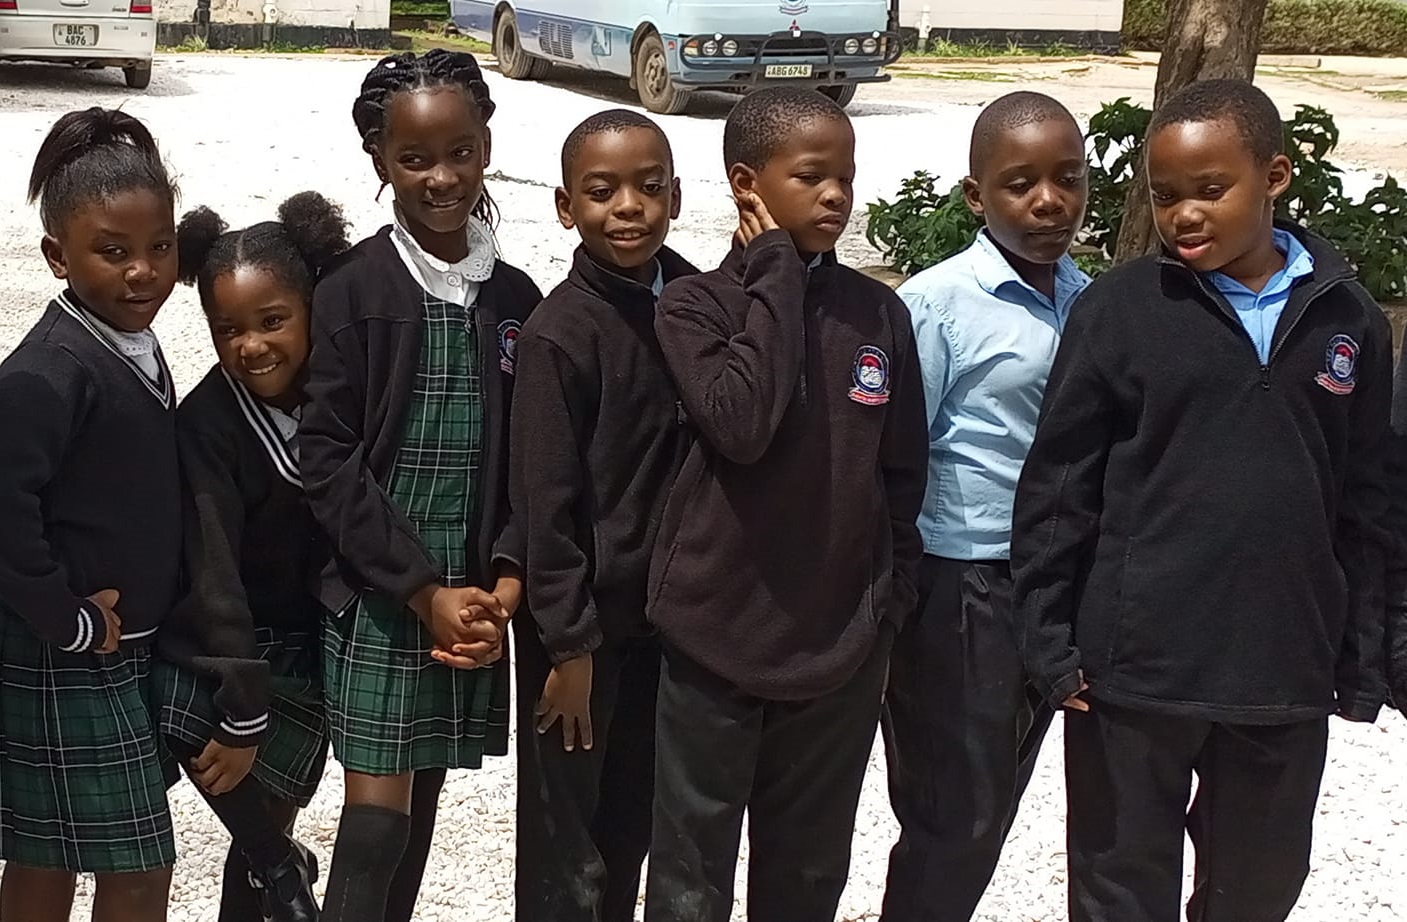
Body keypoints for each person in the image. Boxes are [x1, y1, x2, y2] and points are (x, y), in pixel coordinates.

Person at [1011, 77, 1391, 922]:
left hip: (1280, 670)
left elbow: (1368, 501)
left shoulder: (1349, 320)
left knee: (1257, 888)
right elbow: (1058, 486)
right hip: (1133, 672)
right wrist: (1046, 641)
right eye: (1164, 195)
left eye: (1210, 189)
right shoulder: (1117, 312)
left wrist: (1364, 653)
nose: (1184, 214)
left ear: (1274, 177)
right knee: (1117, 890)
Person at [643, 87, 928, 922]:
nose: (836, 195)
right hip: (714, 636)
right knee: (691, 880)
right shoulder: (695, 305)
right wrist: (773, 273)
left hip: (837, 648)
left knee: (806, 873)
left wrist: (885, 606)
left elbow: (901, 474)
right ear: (747, 184)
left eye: (845, 177)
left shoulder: (877, 314)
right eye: (810, 177)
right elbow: (741, 422)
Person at [298, 48, 542, 922]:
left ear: (486, 147)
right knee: (374, 824)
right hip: (383, 591)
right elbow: (325, 458)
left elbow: (531, 459)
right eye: (414, 159)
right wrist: (421, 590)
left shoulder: (515, 298)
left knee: (421, 805)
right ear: (379, 159)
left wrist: (503, 580)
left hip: (470, 595)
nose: (442, 177)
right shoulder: (352, 291)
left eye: (461, 152)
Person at [880, 90, 1091, 922]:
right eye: (1019, 183)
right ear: (976, 195)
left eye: (1067, 178)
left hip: (1050, 582)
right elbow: (893, 456)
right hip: (960, 587)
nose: (1048, 201)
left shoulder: (1088, 298)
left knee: (996, 802)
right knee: (953, 816)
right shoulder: (937, 305)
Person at [510, 108, 697, 922]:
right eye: (601, 191)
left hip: (673, 629)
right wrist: (568, 645)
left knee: (632, 830)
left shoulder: (699, 306)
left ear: (675, 197)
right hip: (582, 637)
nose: (628, 207)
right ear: (565, 207)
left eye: (648, 188)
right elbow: (543, 504)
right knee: (566, 851)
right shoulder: (560, 334)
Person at [0, 107, 182, 921]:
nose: (142, 272)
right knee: (139, 864)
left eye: (160, 247)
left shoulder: (127, 341)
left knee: (47, 853)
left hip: (117, 648)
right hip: (64, 654)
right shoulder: (48, 369)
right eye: (112, 252)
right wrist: (63, 616)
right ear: (57, 257)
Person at [151, 192, 349, 922]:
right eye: (227, 329)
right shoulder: (207, 425)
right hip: (233, 638)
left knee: (269, 812)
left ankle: (271, 863)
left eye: (273, 321)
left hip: (315, 638)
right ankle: (279, 864)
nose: (251, 346)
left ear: (310, 307)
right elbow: (214, 575)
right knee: (177, 710)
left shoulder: (343, 392)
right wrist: (241, 712)